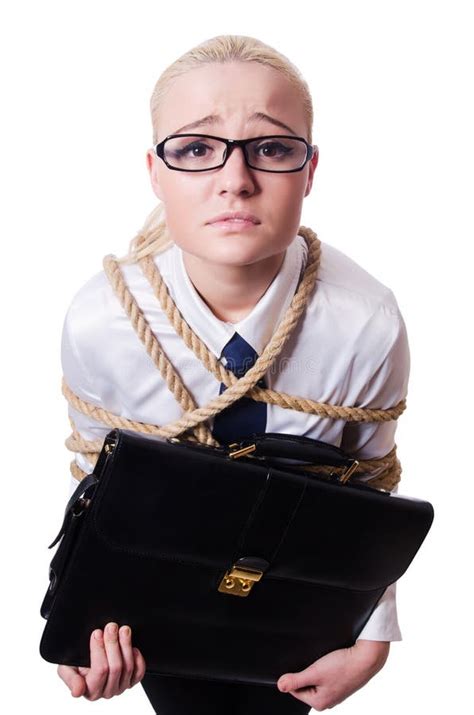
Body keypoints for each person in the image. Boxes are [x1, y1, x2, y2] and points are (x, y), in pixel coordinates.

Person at [56, 34, 410, 713]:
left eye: (272, 148)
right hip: (157, 592)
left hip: (298, 602)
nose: (235, 178)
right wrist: (84, 619)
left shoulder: (366, 322)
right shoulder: (101, 321)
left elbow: (371, 488)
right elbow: (93, 481)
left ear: (309, 171)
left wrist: (371, 637)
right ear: (155, 174)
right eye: (195, 149)